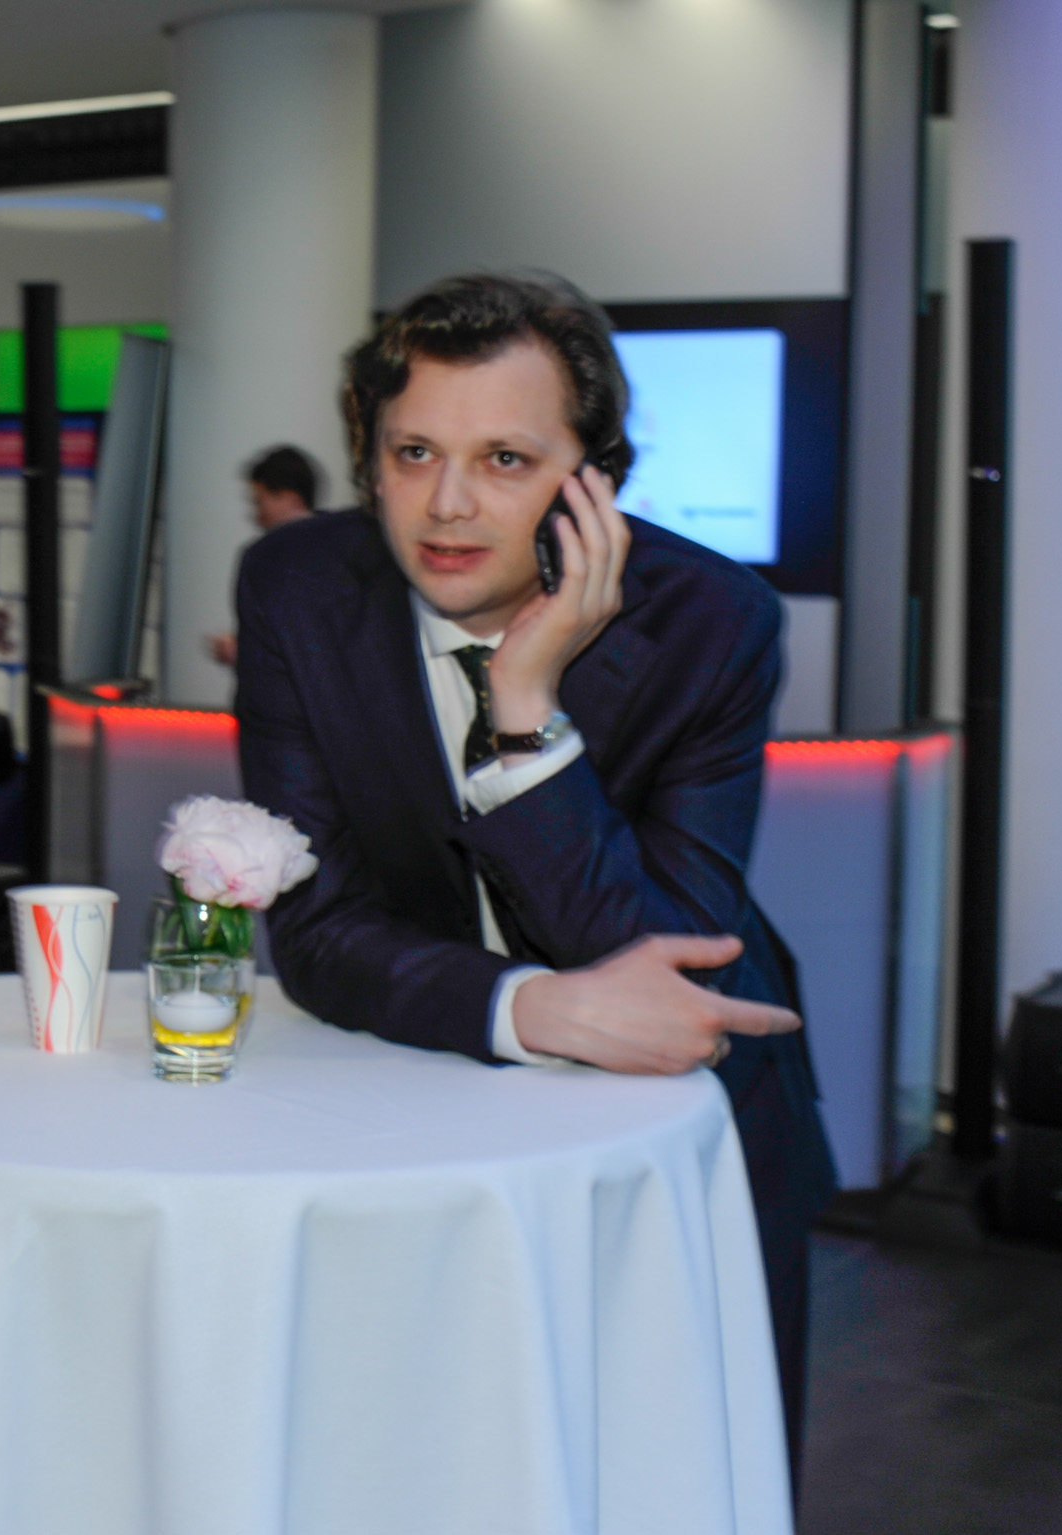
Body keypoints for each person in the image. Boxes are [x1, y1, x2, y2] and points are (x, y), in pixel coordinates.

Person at [234, 273, 835, 1476]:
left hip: (683, 1121)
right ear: (368, 457)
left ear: (590, 478)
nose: (447, 504)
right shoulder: (298, 586)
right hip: (432, 1096)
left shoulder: (711, 619)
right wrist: (533, 1008)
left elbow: (661, 957)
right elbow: (316, 928)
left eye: (505, 459)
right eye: (413, 452)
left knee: (683, 1471)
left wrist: (524, 714)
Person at [206, 444, 324, 668]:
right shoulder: (348, 550)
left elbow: (301, 645)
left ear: (289, 497)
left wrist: (244, 653)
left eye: (260, 502)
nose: (256, 517)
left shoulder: (268, 561)